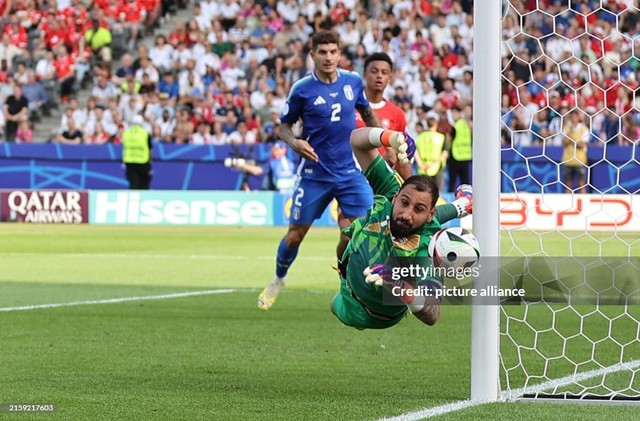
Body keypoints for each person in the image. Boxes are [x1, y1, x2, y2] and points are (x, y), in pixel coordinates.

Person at [258, 30, 382, 310]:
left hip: (351, 173)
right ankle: (279, 278)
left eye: (333, 51)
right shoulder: (302, 89)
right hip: (315, 174)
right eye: (322, 52)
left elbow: (368, 113)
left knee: (361, 233)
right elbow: (284, 127)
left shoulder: (353, 81)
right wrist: (295, 142)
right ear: (312, 55)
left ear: (339, 54)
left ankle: (351, 287)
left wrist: (381, 141)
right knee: (294, 235)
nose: (328, 57)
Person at [331, 127, 473, 329]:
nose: (406, 213)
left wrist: (399, 285)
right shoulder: (391, 189)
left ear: (430, 212)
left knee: (333, 305)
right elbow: (356, 140)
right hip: (349, 282)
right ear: (396, 196)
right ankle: (464, 204)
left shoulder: (429, 249)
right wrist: (390, 137)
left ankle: (463, 205)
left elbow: (432, 314)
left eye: (419, 208)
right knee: (401, 223)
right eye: (404, 202)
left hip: (366, 313)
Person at [355, 52, 413, 180]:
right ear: (365, 74)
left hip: (381, 182)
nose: (379, 76)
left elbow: (402, 155)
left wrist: (411, 183)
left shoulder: (397, 113)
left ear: (390, 77)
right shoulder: (350, 107)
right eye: (374, 71)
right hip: (351, 179)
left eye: (384, 72)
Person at [414, 116, 448, 191]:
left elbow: (415, 151)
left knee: (423, 192)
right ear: (436, 125)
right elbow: (444, 154)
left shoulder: (419, 137)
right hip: (437, 168)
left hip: (422, 168)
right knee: (437, 192)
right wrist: (433, 164)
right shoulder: (441, 137)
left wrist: (421, 164)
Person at [122, 115, 153, 189]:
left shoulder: (126, 133)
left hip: (129, 161)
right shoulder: (145, 133)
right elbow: (150, 148)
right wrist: (150, 161)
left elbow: (124, 147)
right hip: (143, 162)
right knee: (144, 184)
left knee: (133, 183)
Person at [447, 105, 472, 192]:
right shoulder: (467, 125)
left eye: (454, 113)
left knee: (452, 182)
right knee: (466, 183)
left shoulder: (455, 126)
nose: (453, 115)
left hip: (455, 156)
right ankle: (468, 199)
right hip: (466, 156)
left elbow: (448, 140)